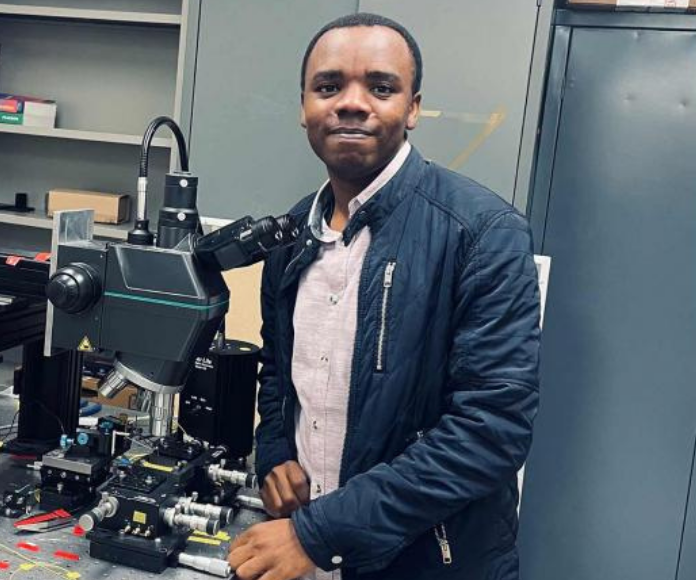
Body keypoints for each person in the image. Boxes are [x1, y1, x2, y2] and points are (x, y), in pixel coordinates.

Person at [227, 13, 541, 580]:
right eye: (328, 86)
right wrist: (275, 454)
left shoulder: (484, 232)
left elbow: (490, 430)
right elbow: (276, 371)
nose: (351, 103)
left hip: (429, 561)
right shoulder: (293, 232)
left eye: (380, 86)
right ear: (304, 107)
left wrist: (320, 534)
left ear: (413, 108)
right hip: (308, 552)